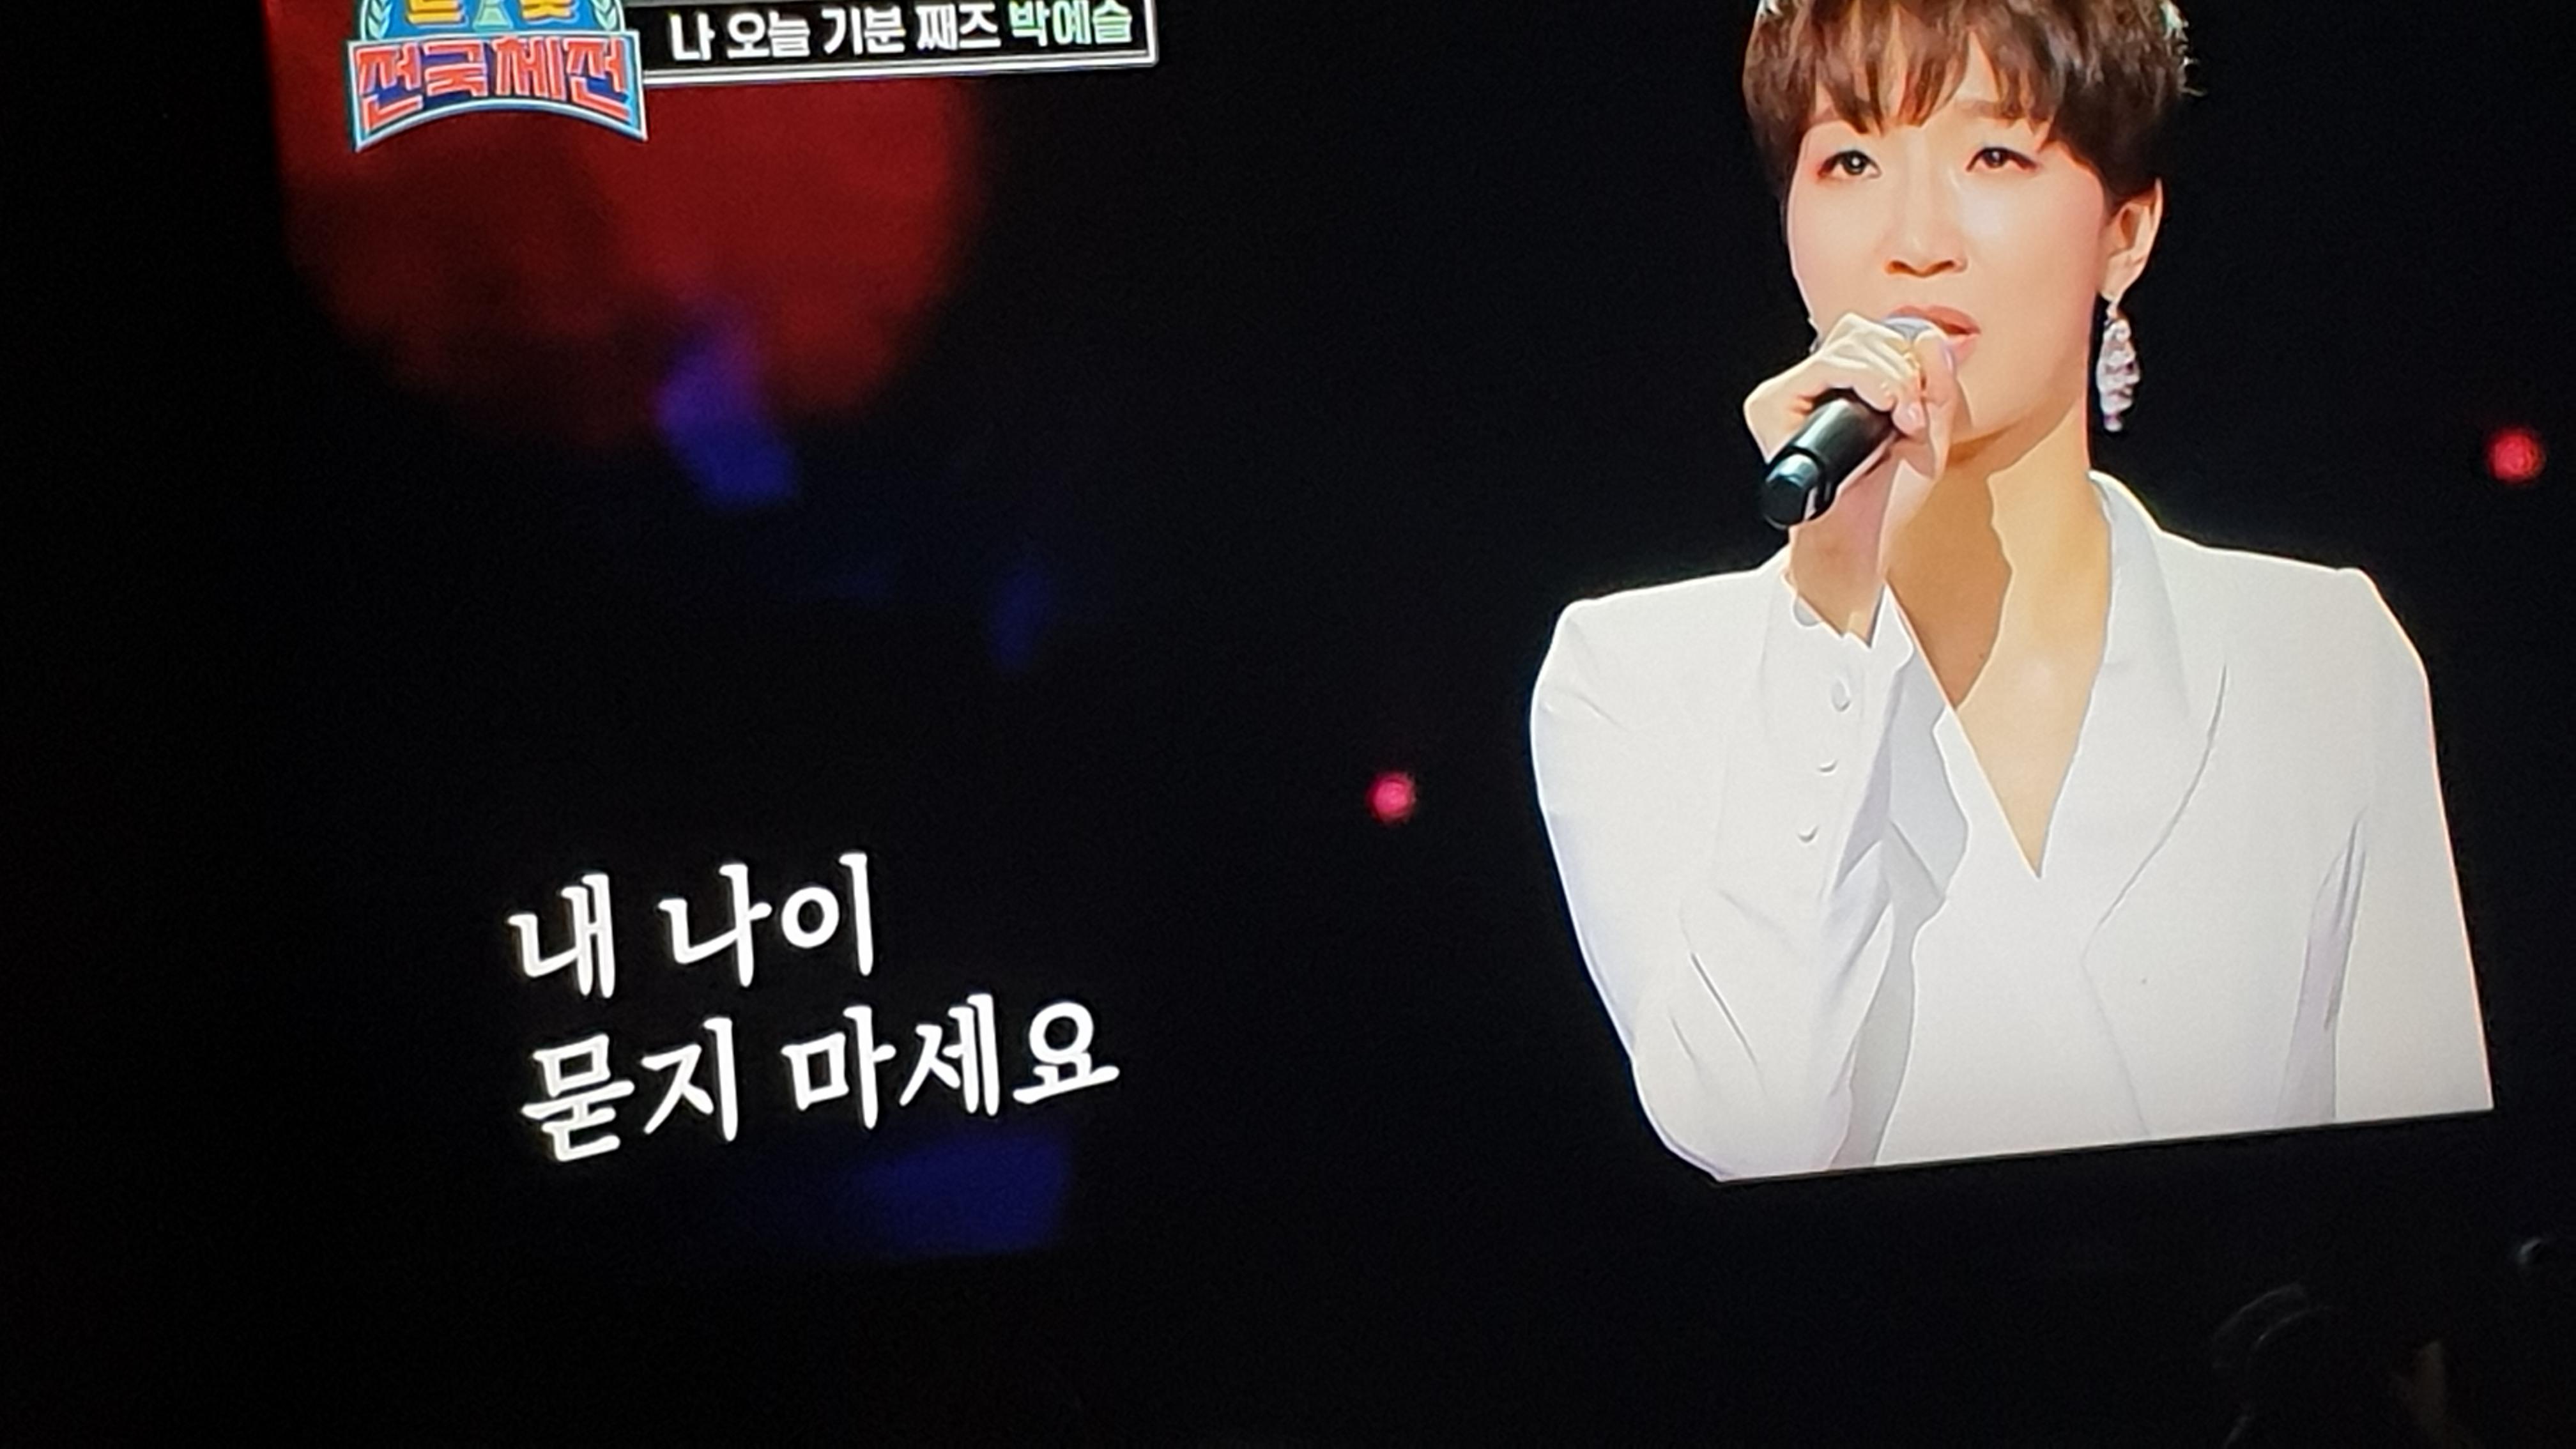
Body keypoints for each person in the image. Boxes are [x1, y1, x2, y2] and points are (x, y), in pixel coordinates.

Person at [1528, 0, 2491, 1183]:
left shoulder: (2318, 656)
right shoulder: (1637, 677)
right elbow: (1751, 1127)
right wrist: (1830, 606)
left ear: (2126, 232)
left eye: (1992, 155)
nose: (1915, 238)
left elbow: (2425, 1199)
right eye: (1852, 161)